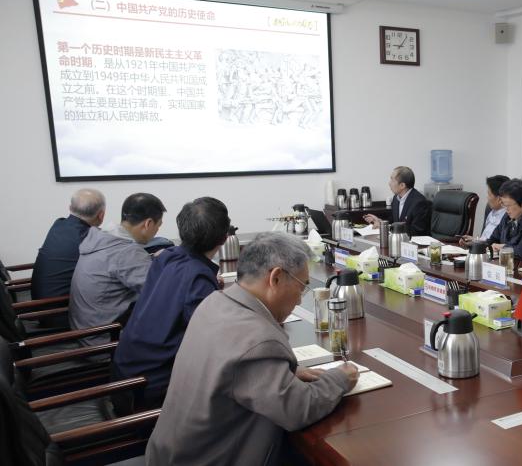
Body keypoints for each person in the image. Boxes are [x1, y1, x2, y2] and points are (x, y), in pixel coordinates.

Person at [146, 232, 359, 465]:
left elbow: (231, 368)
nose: (300, 300)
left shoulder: (214, 302)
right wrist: (339, 379)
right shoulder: (257, 340)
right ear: (276, 278)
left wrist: (282, 371)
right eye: (301, 287)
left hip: (171, 453)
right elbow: (298, 409)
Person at [113, 197, 231, 410]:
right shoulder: (198, 279)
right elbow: (214, 342)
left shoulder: (166, 257)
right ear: (224, 238)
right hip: (151, 390)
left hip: (125, 372)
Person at [69, 193, 165, 345]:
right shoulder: (128, 252)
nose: (157, 231)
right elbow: (162, 291)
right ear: (148, 223)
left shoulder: (101, 237)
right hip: (105, 340)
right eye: (158, 226)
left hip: (84, 329)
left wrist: (149, 259)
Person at [30, 188, 105, 300]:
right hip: (58, 307)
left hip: (38, 301)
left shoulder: (59, 224)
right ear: (101, 215)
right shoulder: (91, 239)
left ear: (70, 208)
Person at [363, 166, 431, 236]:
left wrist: (386, 227)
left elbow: (417, 231)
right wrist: (380, 221)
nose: (389, 183)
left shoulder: (419, 203)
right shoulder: (396, 198)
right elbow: (393, 221)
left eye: (392, 180)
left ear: (402, 185)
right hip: (399, 239)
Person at [460, 174, 509, 245]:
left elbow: (497, 244)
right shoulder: (491, 211)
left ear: (499, 199)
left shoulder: (508, 217)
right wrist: (475, 240)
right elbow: (486, 239)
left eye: (489, 194)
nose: (487, 197)